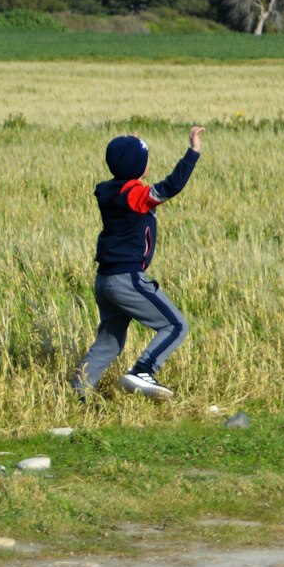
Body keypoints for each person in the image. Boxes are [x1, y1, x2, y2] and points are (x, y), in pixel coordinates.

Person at [74, 125, 204, 401]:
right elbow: (170, 187)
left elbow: (129, 170)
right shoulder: (135, 197)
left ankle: (77, 394)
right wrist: (192, 153)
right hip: (126, 279)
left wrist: (128, 148)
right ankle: (143, 370)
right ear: (138, 167)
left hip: (105, 280)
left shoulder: (113, 192)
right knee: (176, 326)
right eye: (145, 158)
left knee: (109, 342)